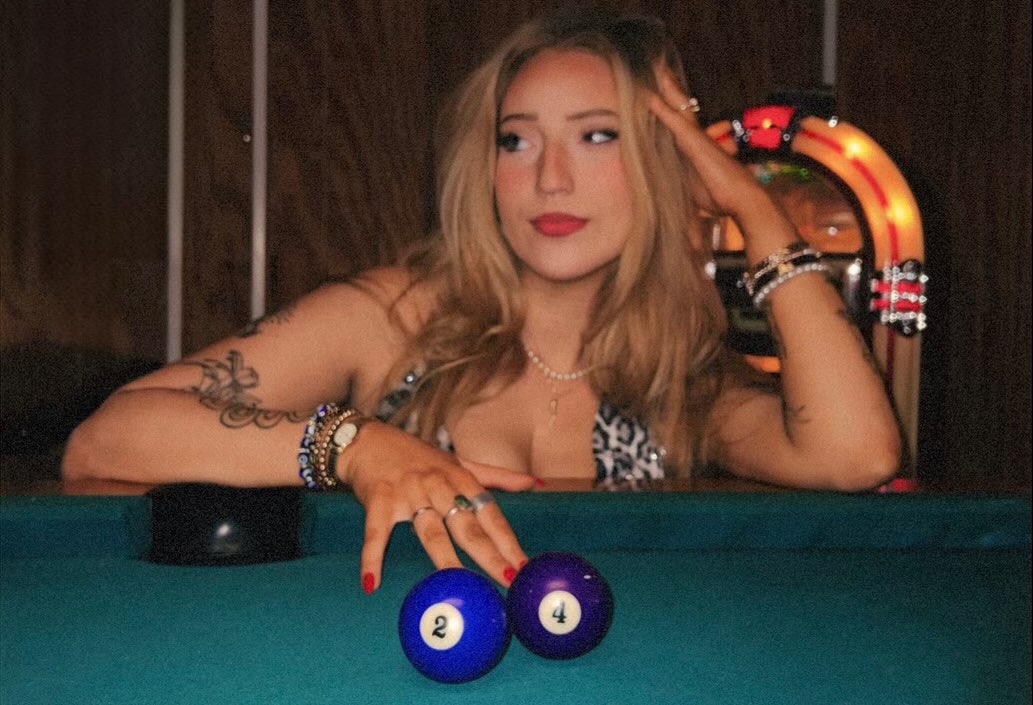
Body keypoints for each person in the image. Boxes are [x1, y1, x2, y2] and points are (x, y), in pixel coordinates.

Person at [62, 7, 901, 594]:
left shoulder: (681, 384)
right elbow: (104, 440)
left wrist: (753, 208)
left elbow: (856, 455)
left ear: (663, 160)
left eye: (596, 135)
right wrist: (354, 445)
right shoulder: (391, 317)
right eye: (516, 140)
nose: (550, 178)